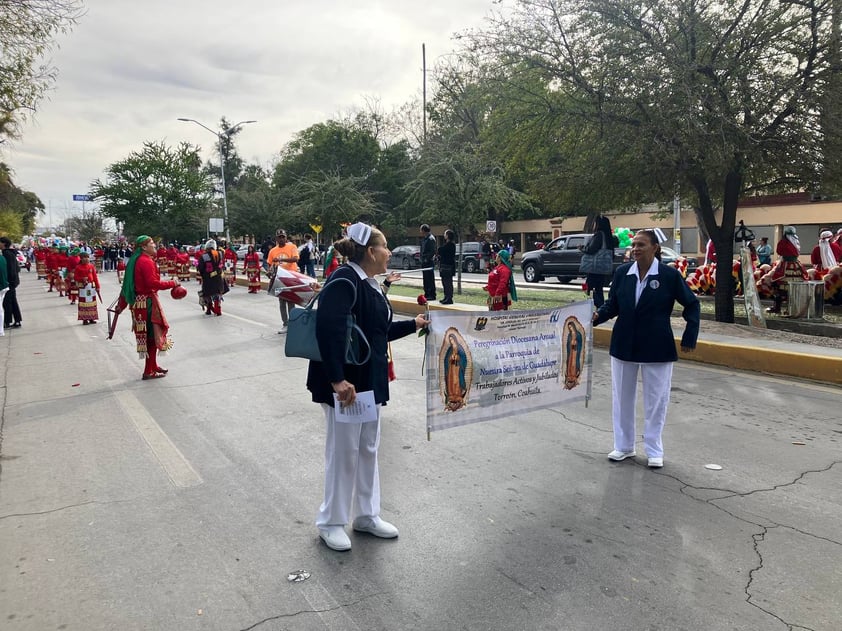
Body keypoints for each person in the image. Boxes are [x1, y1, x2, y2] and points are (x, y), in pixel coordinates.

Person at [306, 222, 429, 551]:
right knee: (343, 452)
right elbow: (328, 330)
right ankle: (330, 521)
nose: (390, 252)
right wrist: (336, 379)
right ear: (371, 252)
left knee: (368, 449)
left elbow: (378, 331)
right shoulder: (344, 280)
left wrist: (413, 324)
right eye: (386, 246)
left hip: (368, 382)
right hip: (345, 386)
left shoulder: (369, 283)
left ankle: (366, 515)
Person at [593, 229, 700, 469]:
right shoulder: (623, 273)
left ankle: (654, 450)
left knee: (655, 400)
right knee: (622, 398)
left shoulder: (669, 275)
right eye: (634, 245)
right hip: (624, 344)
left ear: (655, 248)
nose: (636, 248)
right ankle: (624, 446)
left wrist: (690, 334)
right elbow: (614, 305)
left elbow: (692, 303)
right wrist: (596, 316)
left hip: (656, 346)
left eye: (641, 244)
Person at [119, 235, 179, 380]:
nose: (155, 245)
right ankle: (148, 371)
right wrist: (172, 283)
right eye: (152, 243)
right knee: (151, 337)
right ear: (144, 247)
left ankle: (153, 365)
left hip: (140, 303)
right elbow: (153, 283)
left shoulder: (137, 260)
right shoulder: (145, 261)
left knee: (149, 336)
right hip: (147, 303)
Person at [762, 225, 808, 314]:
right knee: (794, 289)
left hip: (785, 265)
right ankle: (791, 309)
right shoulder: (796, 241)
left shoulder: (783, 242)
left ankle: (777, 308)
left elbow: (779, 251)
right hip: (796, 265)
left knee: (779, 286)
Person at [266, 230, 300, 332]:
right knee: (282, 302)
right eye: (279, 237)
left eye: (283, 237)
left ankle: (293, 323)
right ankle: (285, 323)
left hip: (290, 277)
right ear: (276, 239)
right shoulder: (272, 251)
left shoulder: (292, 247)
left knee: (291, 301)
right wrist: (269, 272)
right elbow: (270, 264)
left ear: (286, 238)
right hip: (279, 278)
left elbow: (295, 259)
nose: (281, 239)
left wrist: (281, 260)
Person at [581, 215, 617, 308]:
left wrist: (582, 248)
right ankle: (600, 307)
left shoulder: (599, 235)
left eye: (594, 223)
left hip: (594, 268)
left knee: (588, 287)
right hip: (602, 268)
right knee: (598, 288)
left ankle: (592, 305)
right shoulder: (608, 236)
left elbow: (592, 249)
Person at [73, 251, 102, 325]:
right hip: (83, 288)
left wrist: (98, 286)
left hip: (91, 287)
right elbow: (75, 277)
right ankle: (85, 319)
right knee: (84, 303)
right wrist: (82, 279)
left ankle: (92, 318)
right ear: (81, 259)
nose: (86, 259)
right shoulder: (78, 267)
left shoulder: (91, 266)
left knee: (92, 303)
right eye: (84, 257)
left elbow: (95, 277)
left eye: (87, 257)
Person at [198, 239, 225, 316]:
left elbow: (201, 267)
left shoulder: (204, 256)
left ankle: (209, 309)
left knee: (207, 294)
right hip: (218, 277)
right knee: (217, 294)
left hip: (208, 278)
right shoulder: (220, 254)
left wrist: (203, 275)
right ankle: (218, 310)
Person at [0, 238, 22, 329]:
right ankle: (17, 320)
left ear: (4, 244)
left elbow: (10, 270)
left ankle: (7, 321)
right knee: (12, 301)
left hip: (9, 281)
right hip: (13, 281)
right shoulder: (11, 253)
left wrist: (9, 281)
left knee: (7, 302)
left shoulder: (6, 254)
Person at [438, 229, 456, 305]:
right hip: (444, 265)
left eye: (445, 234)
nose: (444, 235)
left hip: (448, 266)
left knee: (448, 282)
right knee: (444, 282)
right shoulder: (447, 244)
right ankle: (446, 296)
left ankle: (449, 298)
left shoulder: (451, 245)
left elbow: (441, 250)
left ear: (448, 235)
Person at [419, 224, 437, 301]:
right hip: (424, 261)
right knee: (425, 279)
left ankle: (432, 294)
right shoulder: (424, 239)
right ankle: (427, 293)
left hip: (428, 262)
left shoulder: (431, 239)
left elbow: (432, 251)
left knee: (430, 278)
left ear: (423, 230)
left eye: (421, 230)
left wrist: (427, 259)